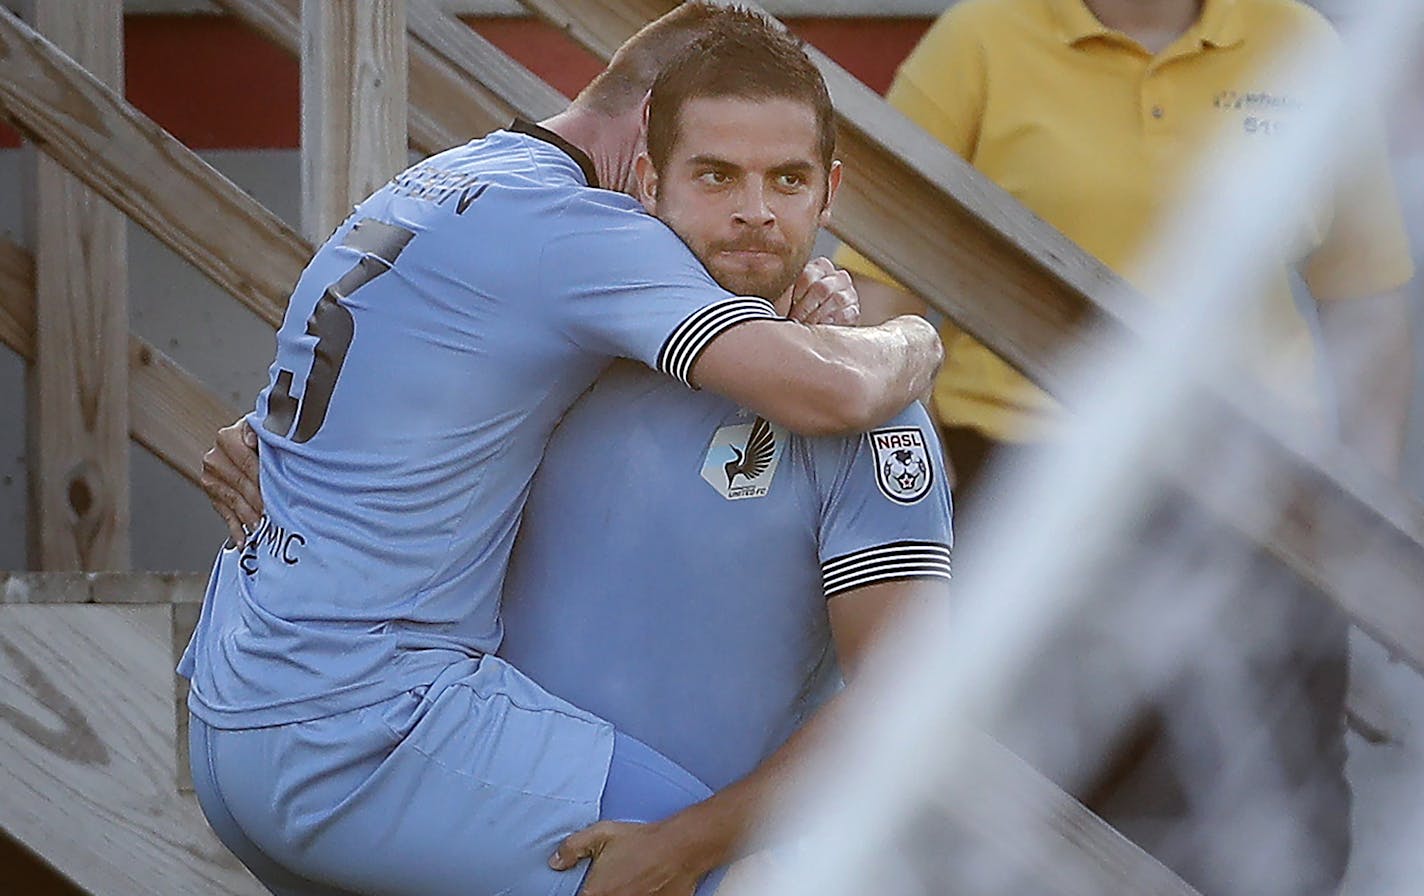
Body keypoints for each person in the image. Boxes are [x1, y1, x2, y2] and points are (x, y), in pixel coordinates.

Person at [180, 7, 942, 896]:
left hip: (247, 713)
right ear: (651, 167)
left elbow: (917, 694)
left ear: (827, 191)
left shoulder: (452, 183)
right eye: (715, 172)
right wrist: (918, 341)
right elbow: (835, 385)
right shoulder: (592, 252)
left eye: (786, 180)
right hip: (375, 736)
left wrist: (267, 447)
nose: (754, 211)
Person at [834, 0, 1415, 893]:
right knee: (1017, 812)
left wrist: (1351, 509)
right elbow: (878, 280)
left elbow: (1368, 295)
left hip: (1261, 507)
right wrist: (889, 478)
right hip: (1015, 482)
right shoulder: (982, 37)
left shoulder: (1300, 42)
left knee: (1280, 824)